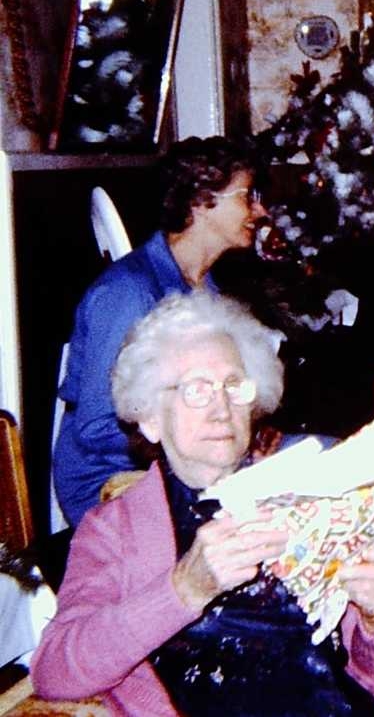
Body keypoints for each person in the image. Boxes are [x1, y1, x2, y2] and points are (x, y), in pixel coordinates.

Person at [32, 291, 374, 716]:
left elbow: (372, 675)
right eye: (196, 390)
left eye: (234, 386)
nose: (222, 408)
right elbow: (53, 672)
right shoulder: (114, 529)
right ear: (150, 418)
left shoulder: (310, 492)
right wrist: (183, 589)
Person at [54, 136, 268, 526]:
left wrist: (247, 429)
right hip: (110, 476)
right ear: (202, 201)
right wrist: (193, 436)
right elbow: (96, 427)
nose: (260, 210)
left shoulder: (206, 289)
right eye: (247, 196)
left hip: (187, 458)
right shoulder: (128, 292)